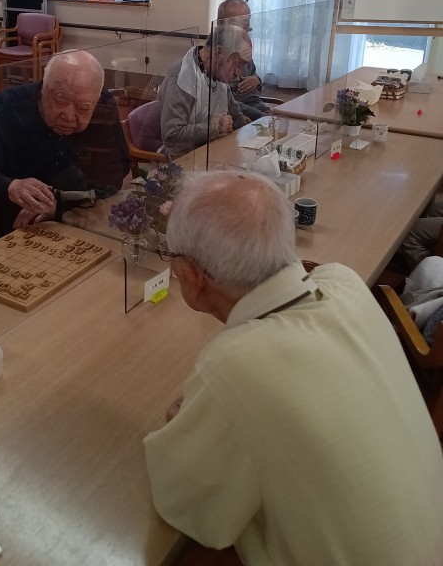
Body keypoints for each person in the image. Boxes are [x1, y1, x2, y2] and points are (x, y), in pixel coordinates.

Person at [144, 171, 443, 566]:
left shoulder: (232, 365)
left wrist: (184, 424)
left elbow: (188, 506)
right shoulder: (345, 281)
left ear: (192, 276)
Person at [0, 49, 130, 241]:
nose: (69, 116)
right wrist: (10, 187)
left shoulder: (103, 106)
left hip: (76, 219)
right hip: (11, 227)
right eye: (61, 100)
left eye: (83, 108)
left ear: (95, 102)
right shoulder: (4, 110)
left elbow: (112, 178)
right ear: (44, 89)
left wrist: (61, 204)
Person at [158, 23, 251, 157]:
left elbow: (236, 115)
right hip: (184, 158)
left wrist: (250, 140)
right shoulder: (182, 76)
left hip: (213, 150)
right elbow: (172, 134)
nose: (238, 73)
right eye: (237, 64)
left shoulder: (217, 74)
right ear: (218, 53)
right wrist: (213, 128)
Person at [217, 0, 271, 121]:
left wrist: (257, 80)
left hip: (260, 110)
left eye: (245, 24)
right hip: (240, 116)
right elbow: (225, 102)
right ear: (220, 25)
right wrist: (261, 116)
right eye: (234, 23)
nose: (240, 29)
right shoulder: (216, 56)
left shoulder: (244, 48)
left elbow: (256, 84)